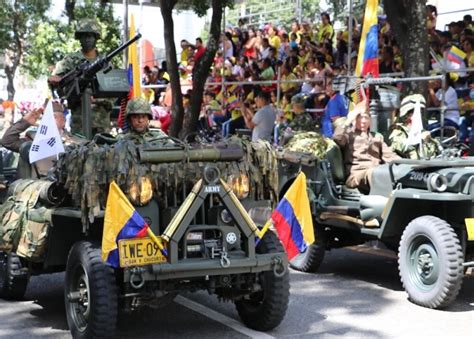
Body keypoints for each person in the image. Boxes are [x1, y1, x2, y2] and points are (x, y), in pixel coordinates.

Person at [48, 19, 112, 136]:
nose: (87, 39)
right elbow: (57, 84)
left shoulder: (105, 63)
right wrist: (56, 81)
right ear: (79, 38)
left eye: (90, 36)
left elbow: (114, 92)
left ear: (96, 38)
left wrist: (97, 99)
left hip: (101, 123)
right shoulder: (70, 60)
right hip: (79, 122)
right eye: (83, 36)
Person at [1, 101, 84, 177]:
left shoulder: (76, 142)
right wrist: (25, 122)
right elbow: (7, 141)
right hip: (34, 189)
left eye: (54, 117)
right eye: (46, 118)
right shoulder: (33, 140)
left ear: (64, 121)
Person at [333, 101, 400, 193]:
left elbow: (390, 156)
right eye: (360, 117)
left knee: (392, 173)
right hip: (356, 176)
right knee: (375, 173)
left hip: (377, 173)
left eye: (366, 117)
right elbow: (337, 138)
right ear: (354, 119)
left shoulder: (377, 137)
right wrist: (349, 119)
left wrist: (406, 165)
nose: (363, 121)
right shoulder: (348, 135)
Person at [389, 94, 440, 159]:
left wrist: (428, 141)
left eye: (420, 113)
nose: (419, 116)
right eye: (416, 113)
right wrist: (419, 139)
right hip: (406, 167)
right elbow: (402, 146)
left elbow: (431, 154)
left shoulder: (422, 131)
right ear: (407, 115)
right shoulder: (398, 131)